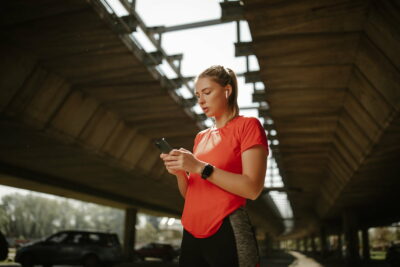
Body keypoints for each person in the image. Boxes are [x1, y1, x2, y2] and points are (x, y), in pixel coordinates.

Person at [160, 65, 269, 267]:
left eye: (207, 92)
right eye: (197, 95)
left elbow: (252, 189)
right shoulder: (201, 137)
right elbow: (192, 196)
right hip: (192, 232)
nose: (201, 100)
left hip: (226, 227)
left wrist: (201, 167)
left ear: (227, 91)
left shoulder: (248, 126)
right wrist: (179, 173)